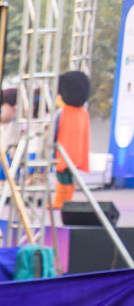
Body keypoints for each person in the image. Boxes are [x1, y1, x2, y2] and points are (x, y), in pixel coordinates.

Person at [54, 70, 91, 209]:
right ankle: (67, 201)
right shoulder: (83, 113)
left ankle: (60, 202)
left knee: (62, 178)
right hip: (77, 154)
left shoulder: (63, 112)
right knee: (70, 178)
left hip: (63, 152)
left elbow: (55, 131)